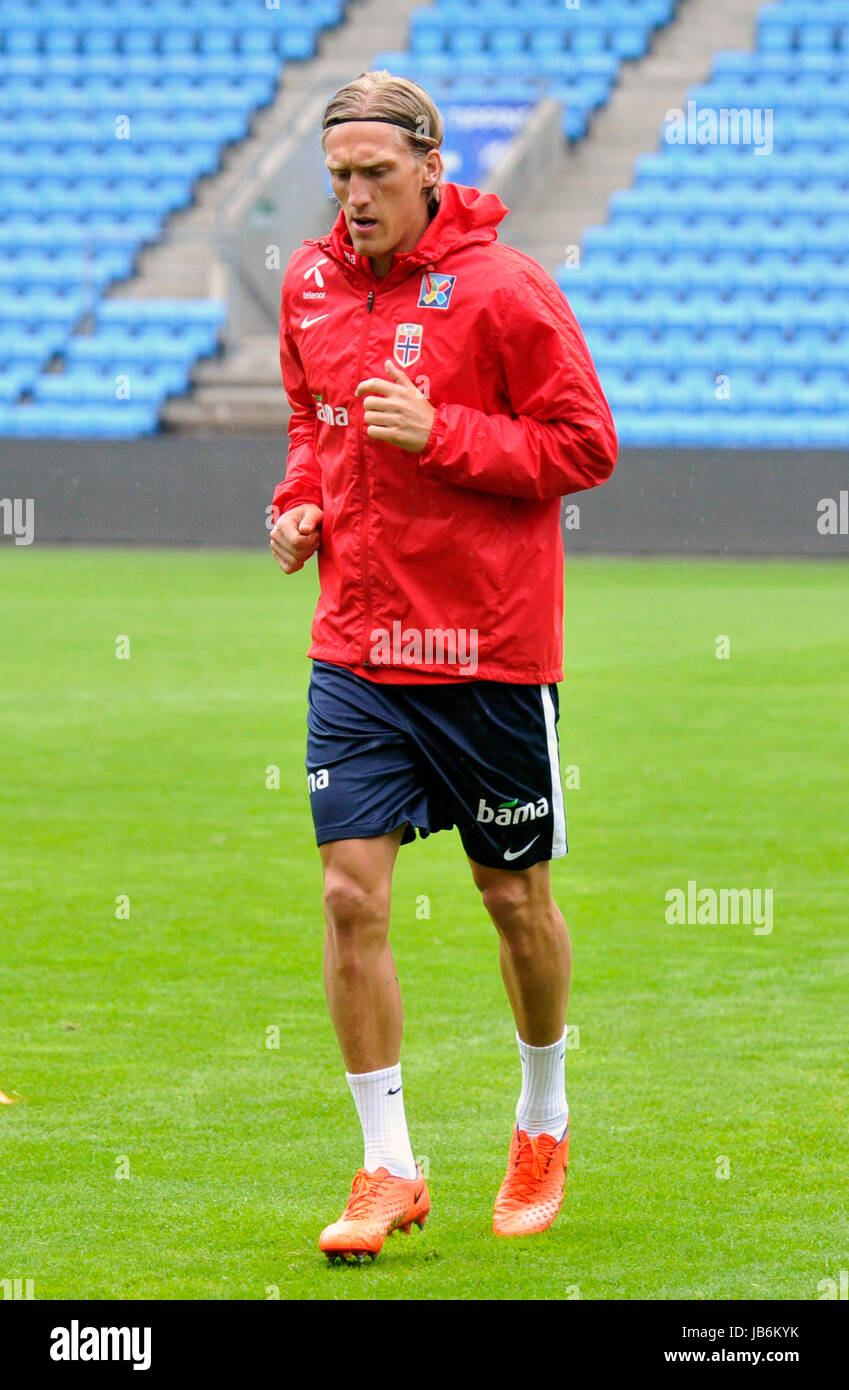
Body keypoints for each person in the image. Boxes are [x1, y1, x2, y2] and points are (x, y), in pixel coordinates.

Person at [269, 70, 617, 1263]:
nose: (354, 197)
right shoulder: (310, 284)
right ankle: (387, 1165)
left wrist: (449, 435)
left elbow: (586, 445)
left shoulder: (509, 289)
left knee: (512, 900)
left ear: (430, 166)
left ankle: (542, 1121)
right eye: (339, 176)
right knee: (347, 895)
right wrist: (297, 507)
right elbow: (314, 426)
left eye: (375, 173)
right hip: (357, 647)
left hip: (485, 652)